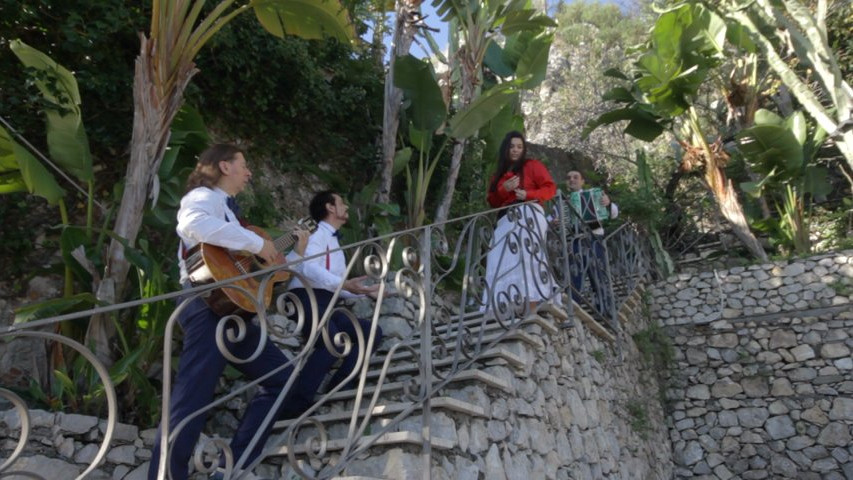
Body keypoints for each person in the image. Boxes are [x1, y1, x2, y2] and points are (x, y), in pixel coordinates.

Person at [149, 144, 308, 480]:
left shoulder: (234, 216)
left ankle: (231, 465)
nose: (249, 172)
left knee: (283, 377)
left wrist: (288, 249)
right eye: (244, 165)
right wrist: (256, 244)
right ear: (224, 166)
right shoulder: (203, 196)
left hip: (235, 310)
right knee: (190, 399)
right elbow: (194, 225)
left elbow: (268, 269)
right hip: (207, 303)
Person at [284, 190, 383, 418]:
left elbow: (337, 286)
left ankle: (337, 390)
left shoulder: (336, 246)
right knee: (331, 342)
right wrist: (345, 284)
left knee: (371, 333)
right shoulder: (315, 232)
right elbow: (307, 267)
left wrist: (365, 292)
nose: (346, 206)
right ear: (330, 208)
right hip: (304, 296)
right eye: (341, 202)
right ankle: (294, 405)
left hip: (328, 302)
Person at [484, 131, 559, 317]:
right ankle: (505, 306)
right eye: (512, 146)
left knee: (527, 255)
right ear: (506, 149)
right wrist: (504, 189)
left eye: (519, 146)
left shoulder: (532, 166)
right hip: (505, 219)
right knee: (499, 258)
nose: (516, 150)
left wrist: (529, 195)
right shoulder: (498, 174)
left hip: (529, 213)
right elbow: (492, 201)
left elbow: (550, 188)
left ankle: (531, 306)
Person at [562, 170, 618, 318]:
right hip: (575, 238)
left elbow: (614, 214)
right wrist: (555, 221)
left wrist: (608, 202)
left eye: (575, 177)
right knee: (575, 273)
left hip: (594, 236)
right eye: (569, 178)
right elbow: (553, 219)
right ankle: (574, 307)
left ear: (582, 181)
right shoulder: (562, 201)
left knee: (598, 272)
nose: (572, 180)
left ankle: (605, 310)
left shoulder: (595, 195)